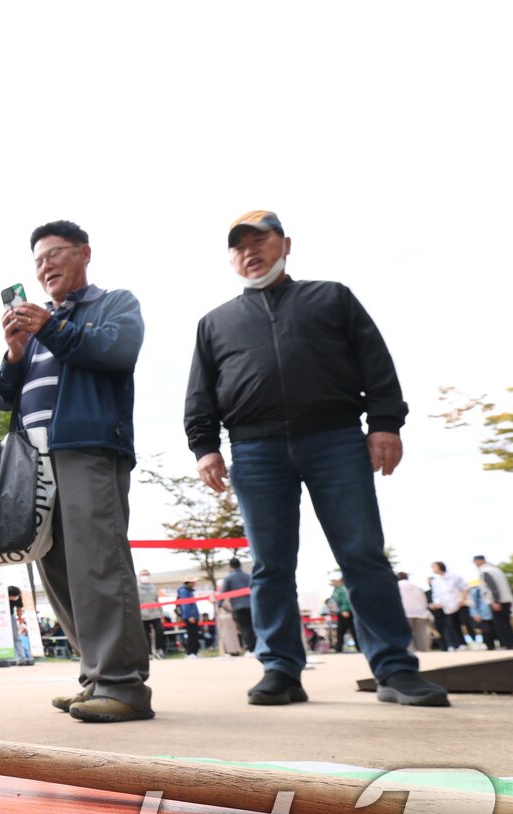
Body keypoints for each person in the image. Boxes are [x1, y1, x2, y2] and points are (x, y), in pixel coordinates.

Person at [185, 210, 448, 707]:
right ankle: (281, 670)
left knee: (363, 553)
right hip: (255, 450)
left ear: (286, 243)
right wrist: (205, 447)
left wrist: (386, 424)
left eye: (259, 240)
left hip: (337, 440)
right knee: (270, 564)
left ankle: (394, 668)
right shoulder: (215, 322)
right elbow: (201, 393)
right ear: (231, 259)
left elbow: (376, 362)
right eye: (239, 246)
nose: (250, 252)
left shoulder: (332, 297)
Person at [0, 219, 153, 722]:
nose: (44, 267)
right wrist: (15, 356)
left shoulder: (114, 304)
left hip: (86, 448)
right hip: (36, 457)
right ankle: (95, 675)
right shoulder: (42, 325)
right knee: (57, 567)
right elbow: (3, 398)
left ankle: (123, 685)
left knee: (97, 561)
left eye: (54, 254)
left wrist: (50, 327)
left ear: (84, 253)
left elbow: (114, 351)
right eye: (38, 261)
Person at [429, 562, 475, 650]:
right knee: (454, 625)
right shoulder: (436, 581)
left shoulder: (454, 576)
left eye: (434, 567)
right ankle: (462, 644)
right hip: (448, 606)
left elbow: (465, 587)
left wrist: (462, 599)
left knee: (467, 623)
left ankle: (474, 641)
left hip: (461, 603)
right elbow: (436, 595)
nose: (433, 569)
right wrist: (437, 603)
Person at [474, 555, 513, 649]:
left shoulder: (485, 571)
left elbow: (492, 587)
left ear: (479, 561)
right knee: (506, 623)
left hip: (498, 601)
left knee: (500, 624)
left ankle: (508, 645)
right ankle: (511, 644)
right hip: (506, 599)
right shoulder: (496, 570)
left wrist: (495, 601)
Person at [217, 558, 256, 652]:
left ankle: (250, 648)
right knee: (253, 626)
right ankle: (256, 647)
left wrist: (219, 604)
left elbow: (224, 592)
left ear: (230, 566)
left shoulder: (229, 578)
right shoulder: (248, 576)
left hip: (238, 606)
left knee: (244, 627)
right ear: (240, 565)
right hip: (252, 605)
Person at [395, 572, 433, 652]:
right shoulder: (416, 587)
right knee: (422, 634)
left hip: (405, 612)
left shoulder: (396, 586)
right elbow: (423, 599)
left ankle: (412, 652)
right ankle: (425, 651)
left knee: (407, 634)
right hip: (420, 613)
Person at [137, 569, 166, 658]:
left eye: (147, 574)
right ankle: (148, 653)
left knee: (160, 630)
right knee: (145, 635)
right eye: (143, 575)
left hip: (155, 614)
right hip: (143, 615)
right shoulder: (136, 587)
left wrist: (161, 613)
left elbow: (157, 600)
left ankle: (159, 649)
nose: (145, 576)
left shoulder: (153, 587)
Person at [325, 574, 357, 653]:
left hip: (345, 613)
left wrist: (345, 609)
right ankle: (338, 647)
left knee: (352, 630)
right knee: (341, 631)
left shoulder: (342, 589)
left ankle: (359, 647)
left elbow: (345, 600)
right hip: (341, 613)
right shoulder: (337, 589)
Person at [175, 578, 203, 657]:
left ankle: (195, 652)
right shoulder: (184, 591)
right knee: (191, 635)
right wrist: (189, 616)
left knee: (194, 635)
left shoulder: (189, 591)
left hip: (193, 616)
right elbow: (185, 605)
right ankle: (190, 653)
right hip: (190, 617)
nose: (195, 583)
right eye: (193, 581)